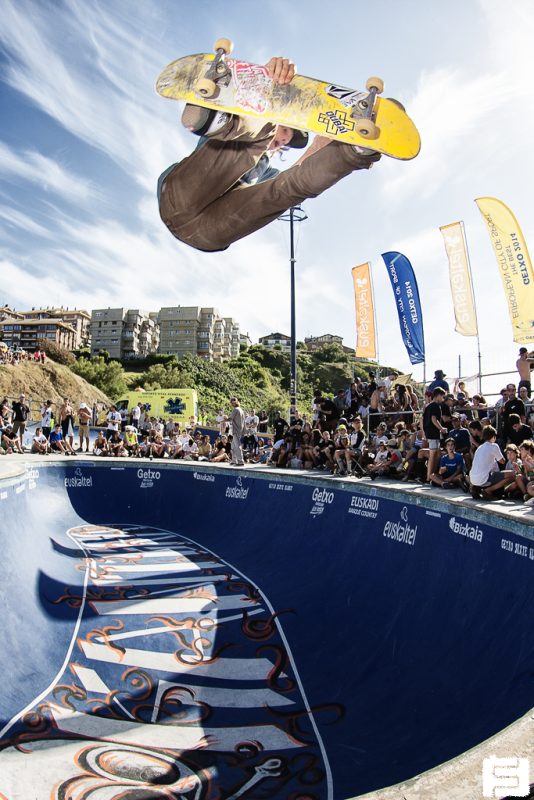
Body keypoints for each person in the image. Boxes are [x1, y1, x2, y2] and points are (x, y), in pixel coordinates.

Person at [158, 57, 381, 253]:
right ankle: (220, 119)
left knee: (286, 191)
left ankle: (355, 151)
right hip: (183, 195)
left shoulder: (267, 169)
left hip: (208, 234)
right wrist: (270, 78)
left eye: (284, 143)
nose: (281, 141)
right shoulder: (245, 142)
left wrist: (320, 146)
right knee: (259, 135)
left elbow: (293, 180)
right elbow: (263, 125)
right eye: (284, 132)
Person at [469, 425, 513, 500]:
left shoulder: (480, 447)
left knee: (494, 473)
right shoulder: (494, 446)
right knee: (512, 474)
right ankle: (488, 490)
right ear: (493, 436)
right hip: (484, 478)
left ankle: (476, 488)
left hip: (472, 479)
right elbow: (502, 461)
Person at [422, 387, 448, 482]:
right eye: (442, 396)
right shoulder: (435, 406)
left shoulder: (428, 406)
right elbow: (434, 419)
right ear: (438, 395)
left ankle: (431, 475)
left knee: (436, 453)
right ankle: (429, 477)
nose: (443, 399)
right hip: (433, 433)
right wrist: (441, 428)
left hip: (430, 433)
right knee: (432, 455)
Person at [229, 397, 245, 465]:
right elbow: (244, 421)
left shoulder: (235, 410)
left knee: (237, 446)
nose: (233, 404)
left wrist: (223, 419)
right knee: (233, 446)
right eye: (232, 403)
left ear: (237, 402)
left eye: (234, 402)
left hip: (236, 430)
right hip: (239, 430)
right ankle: (234, 460)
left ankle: (240, 461)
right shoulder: (241, 410)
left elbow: (230, 418)